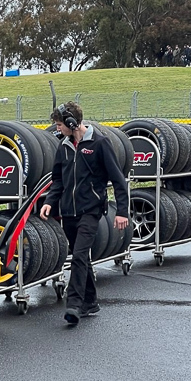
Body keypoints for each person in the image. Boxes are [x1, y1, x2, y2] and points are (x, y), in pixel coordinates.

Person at [39, 102, 129, 326]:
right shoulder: (64, 147)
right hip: (68, 212)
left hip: (91, 210)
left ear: (72, 122)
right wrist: (50, 202)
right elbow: (58, 179)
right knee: (82, 258)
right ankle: (91, 301)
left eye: (60, 125)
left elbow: (118, 179)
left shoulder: (100, 143)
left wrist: (122, 212)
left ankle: (75, 305)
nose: (58, 129)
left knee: (78, 256)